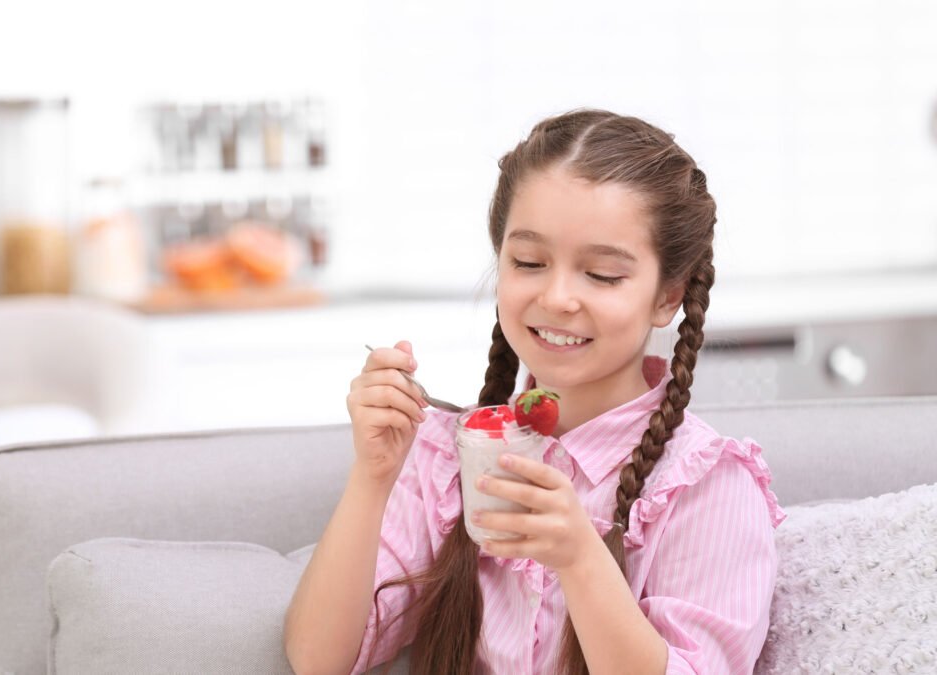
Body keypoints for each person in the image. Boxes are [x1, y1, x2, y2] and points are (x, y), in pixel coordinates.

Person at [283, 109, 786, 675]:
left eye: (602, 274)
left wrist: (579, 559)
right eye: (528, 262)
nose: (558, 297)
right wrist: (372, 476)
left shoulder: (704, 487)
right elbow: (319, 661)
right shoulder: (450, 455)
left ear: (667, 296)